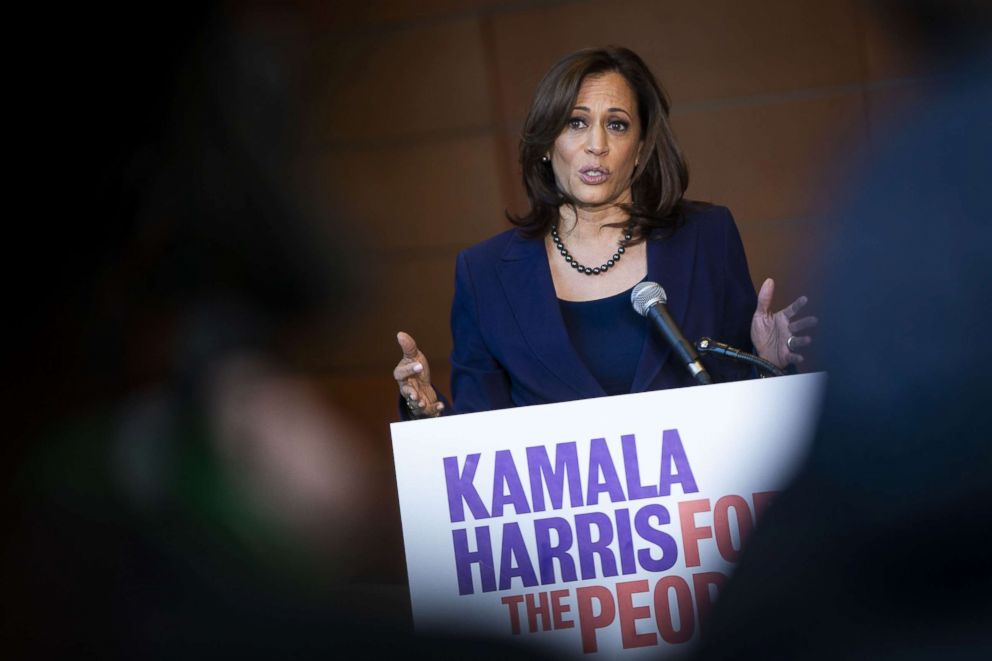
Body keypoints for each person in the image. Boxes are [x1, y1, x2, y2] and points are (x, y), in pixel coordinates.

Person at [394, 47, 816, 418]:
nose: (596, 144)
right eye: (576, 123)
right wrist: (427, 414)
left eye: (616, 125)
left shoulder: (706, 238)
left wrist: (769, 366)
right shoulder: (483, 274)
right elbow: (479, 435)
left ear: (640, 148)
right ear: (545, 143)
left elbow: (739, 403)